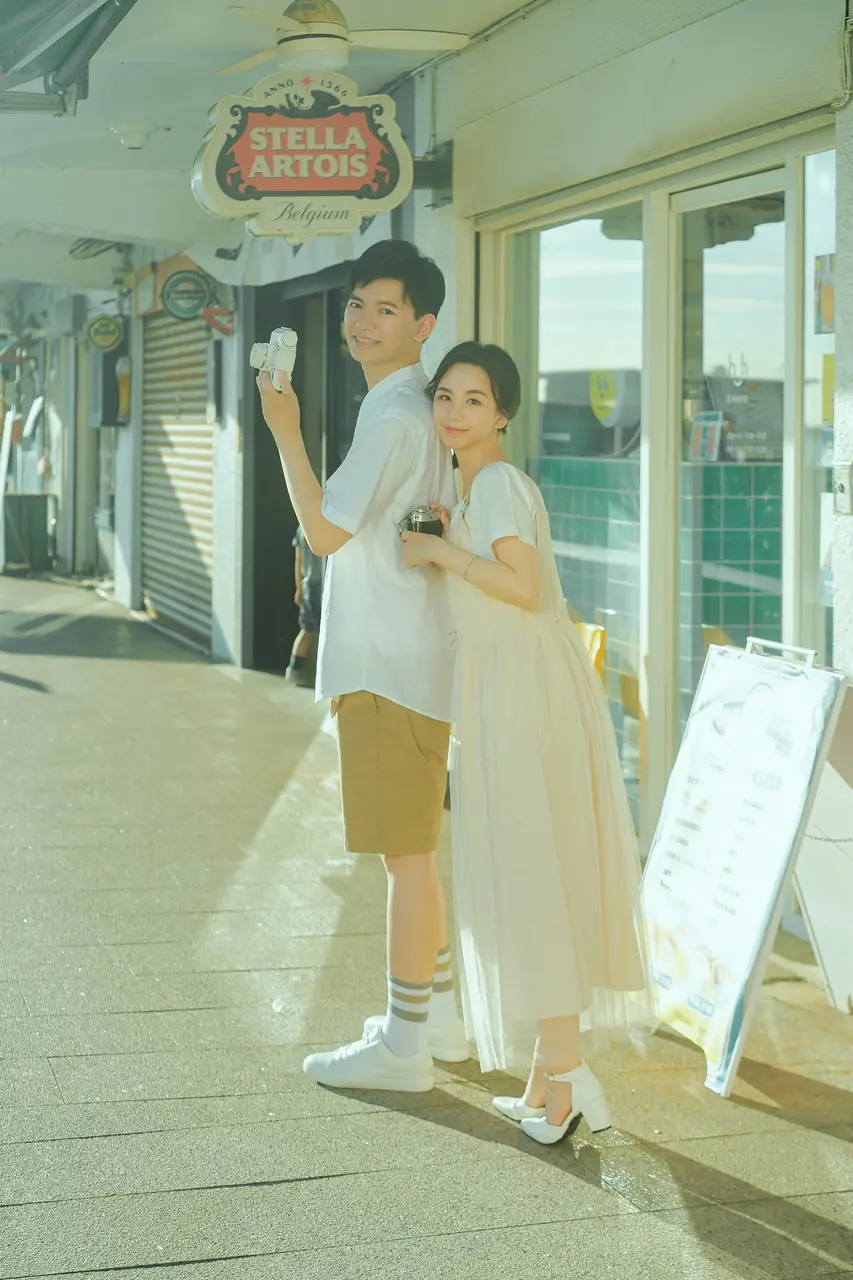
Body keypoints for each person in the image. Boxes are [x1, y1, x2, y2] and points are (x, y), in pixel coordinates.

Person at [402, 342, 650, 1145]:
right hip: (516, 689)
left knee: (535, 880)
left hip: (523, 696)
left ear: (503, 413)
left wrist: (440, 550)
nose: (454, 412)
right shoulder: (474, 488)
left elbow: (523, 586)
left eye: (474, 400)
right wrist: (447, 537)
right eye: (445, 396)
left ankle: (567, 1077)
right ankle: (552, 1075)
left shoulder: (497, 484)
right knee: (538, 876)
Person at [256, 240, 468, 1092]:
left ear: (423, 324)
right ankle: (439, 1018)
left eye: (386, 310)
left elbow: (323, 531)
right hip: (409, 658)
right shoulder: (412, 406)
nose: (363, 322)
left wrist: (284, 429)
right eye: (356, 306)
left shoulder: (393, 417)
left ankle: (404, 1045)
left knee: (404, 858)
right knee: (412, 849)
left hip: (386, 664)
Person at [286, 523, 322, 687]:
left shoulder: (301, 528)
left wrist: (299, 588)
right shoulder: (324, 523)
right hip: (321, 586)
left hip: (307, 585)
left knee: (307, 630)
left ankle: (294, 670)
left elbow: (298, 560)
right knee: (323, 632)